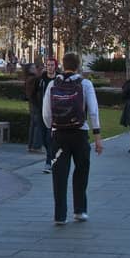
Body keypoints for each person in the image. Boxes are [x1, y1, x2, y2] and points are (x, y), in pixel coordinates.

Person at [43, 52, 102, 224]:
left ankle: (60, 215)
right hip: (80, 133)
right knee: (81, 170)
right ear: (78, 65)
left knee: (59, 175)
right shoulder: (85, 84)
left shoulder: (53, 84)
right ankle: (80, 210)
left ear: (62, 64)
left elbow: (46, 113)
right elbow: (93, 111)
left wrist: (52, 127)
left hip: (59, 134)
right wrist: (97, 137)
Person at [25, 62, 57, 171]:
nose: (50, 67)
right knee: (43, 137)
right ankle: (52, 155)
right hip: (41, 111)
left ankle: (49, 161)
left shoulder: (58, 79)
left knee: (49, 137)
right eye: (48, 65)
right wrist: (37, 105)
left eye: (52, 65)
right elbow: (32, 93)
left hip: (54, 113)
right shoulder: (41, 79)